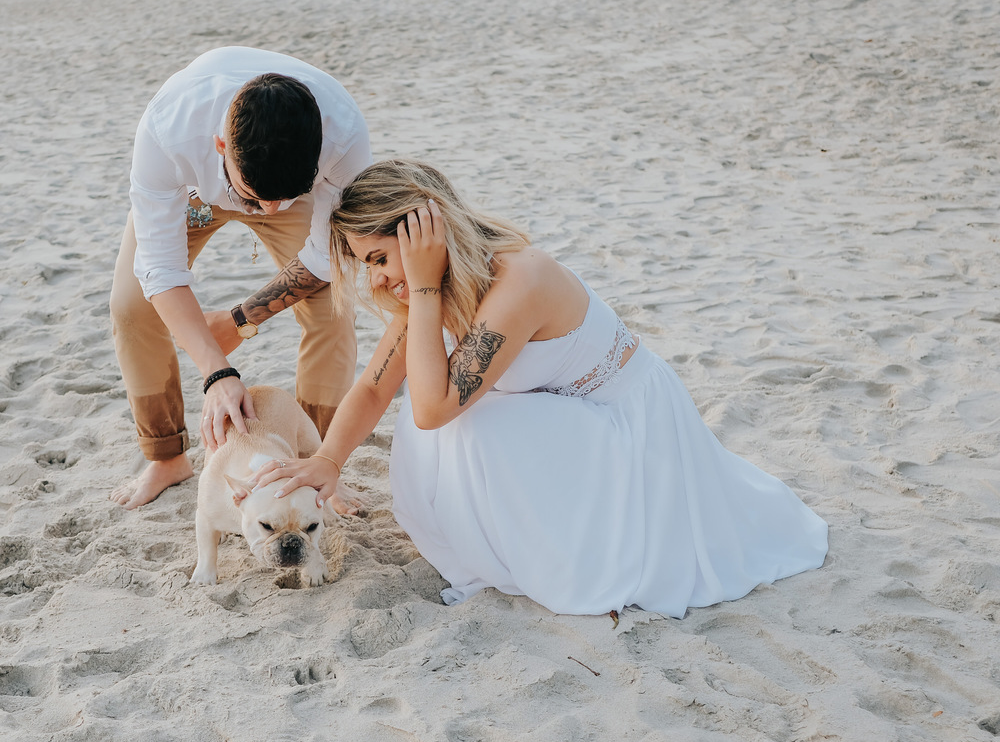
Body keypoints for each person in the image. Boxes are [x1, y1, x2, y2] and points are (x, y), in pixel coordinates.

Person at [251, 158, 829, 618]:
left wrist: (422, 286)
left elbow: (431, 407)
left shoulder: (520, 279)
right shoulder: (433, 286)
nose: (378, 278)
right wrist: (329, 459)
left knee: (466, 421)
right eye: (367, 265)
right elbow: (376, 389)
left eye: (380, 258)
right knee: (447, 418)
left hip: (631, 428)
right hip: (569, 419)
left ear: (423, 230)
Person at [108, 47, 371, 509]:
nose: (270, 210)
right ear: (220, 147)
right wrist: (217, 371)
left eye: (283, 198)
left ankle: (318, 462)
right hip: (196, 192)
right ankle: (167, 457)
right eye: (256, 199)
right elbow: (160, 269)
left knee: (333, 310)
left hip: (285, 183)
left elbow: (328, 258)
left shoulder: (345, 137)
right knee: (130, 306)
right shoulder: (167, 130)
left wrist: (239, 321)